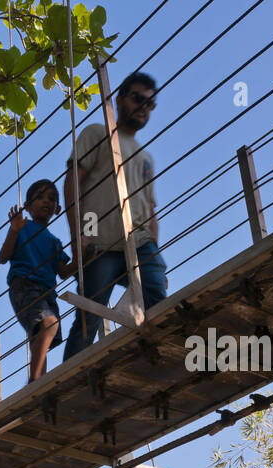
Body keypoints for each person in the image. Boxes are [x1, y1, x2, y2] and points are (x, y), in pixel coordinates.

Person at [62, 70, 167, 360]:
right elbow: (73, 181)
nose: (143, 107)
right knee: (89, 318)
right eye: (137, 99)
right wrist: (80, 235)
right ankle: (69, 382)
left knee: (157, 299)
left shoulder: (146, 158)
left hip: (140, 242)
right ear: (119, 100)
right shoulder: (98, 133)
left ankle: (152, 363)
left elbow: (151, 209)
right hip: (100, 243)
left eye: (150, 103)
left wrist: (154, 248)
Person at [0, 178, 76, 380]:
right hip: (24, 284)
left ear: (58, 208)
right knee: (49, 323)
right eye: (39, 197)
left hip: (48, 292)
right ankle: (34, 380)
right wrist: (14, 230)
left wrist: (83, 255)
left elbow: (64, 272)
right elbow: (3, 257)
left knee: (40, 336)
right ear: (27, 206)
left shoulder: (55, 242)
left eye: (51, 198)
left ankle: (39, 378)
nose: (46, 202)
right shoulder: (22, 227)